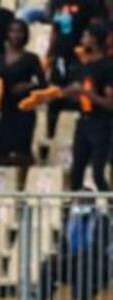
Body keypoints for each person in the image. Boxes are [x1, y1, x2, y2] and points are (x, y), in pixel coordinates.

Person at [38, 195, 112, 300]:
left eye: (85, 201)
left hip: (96, 264)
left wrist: (73, 256)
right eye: (79, 201)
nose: (81, 204)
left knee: (83, 263)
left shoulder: (102, 220)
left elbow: (100, 248)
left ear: (93, 202)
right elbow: (62, 245)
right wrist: (57, 256)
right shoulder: (68, 220)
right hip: (72, 261)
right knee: (48, 265)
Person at [0, 19, 45, 166]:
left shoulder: (31, 58)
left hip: (24, 111)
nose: (16, 35)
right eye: (12, 31)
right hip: (6, 110)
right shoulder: (0, 58)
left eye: (19, 31)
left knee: (21, 154)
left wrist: (28, 86)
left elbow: (43, 84)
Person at [66, 24, 112, 191]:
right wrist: (70, 93)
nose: (82, 39)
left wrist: (87, 93)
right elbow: (75, 94)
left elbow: (109, 103)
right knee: (76, 171)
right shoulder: (83, 66)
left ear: (93, 38)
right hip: (83, 121)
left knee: (98, 173)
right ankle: (73, 211)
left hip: (101, 123)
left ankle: (110, 211)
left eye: (85, 35)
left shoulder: (107, 66)